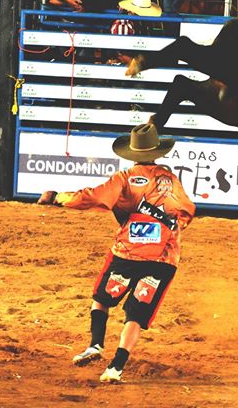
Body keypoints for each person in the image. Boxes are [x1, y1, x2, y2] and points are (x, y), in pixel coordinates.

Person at [37, 123, 195, 383]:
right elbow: (187, 210)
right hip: (164, 257)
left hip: (128, 252)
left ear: (131, 153)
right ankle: (116, 367)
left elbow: (94, 197)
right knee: (137, 312)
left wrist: (58, 197)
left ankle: (96, 344)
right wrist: (168, 230)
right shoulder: (171, 180)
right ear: (157, 152)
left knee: (102, 297)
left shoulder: (124, 178)